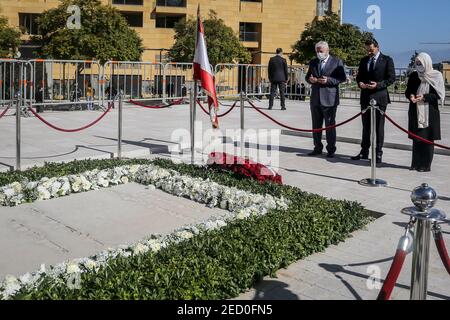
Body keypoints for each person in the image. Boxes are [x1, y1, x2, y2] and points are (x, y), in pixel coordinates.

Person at [351, 38, 396, 164]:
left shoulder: (387, 60)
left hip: (380, 98)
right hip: (365, 97)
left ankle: (378, 153)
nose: (369, 52)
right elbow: (359, 77)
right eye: (367, 50)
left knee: (378, 127)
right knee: (366, 127)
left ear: (377, 47)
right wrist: (360, 83)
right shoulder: (364, 60)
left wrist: (378, 85)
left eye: (371, 50)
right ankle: (364, 151)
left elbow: (391, 78)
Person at [305, 41, 346, 158]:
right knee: (316, 125)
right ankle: (317, 147)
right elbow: (308, 76)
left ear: (327, 50)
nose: (318, 53)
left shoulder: (336, 61)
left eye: (321, 51)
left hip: (329, 98)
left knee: (329, 125)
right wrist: (310, 79)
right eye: (317, 51)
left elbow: (341, 78)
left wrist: (328, 80)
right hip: (315, 98)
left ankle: (331, 149)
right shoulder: (313, 62)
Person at [405, 52, 445, 172]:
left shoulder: (436, 75)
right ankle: (416, 163)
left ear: (426, 63)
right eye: (416, 63)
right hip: (415, 110)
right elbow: (408, 91)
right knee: (417, 138)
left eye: (420, 63)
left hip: (429, 111)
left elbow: (438, 95)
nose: (418, 65)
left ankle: (426, 165)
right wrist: (411, 96)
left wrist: (424, 97)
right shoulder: (414, 76)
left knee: (427, 138)